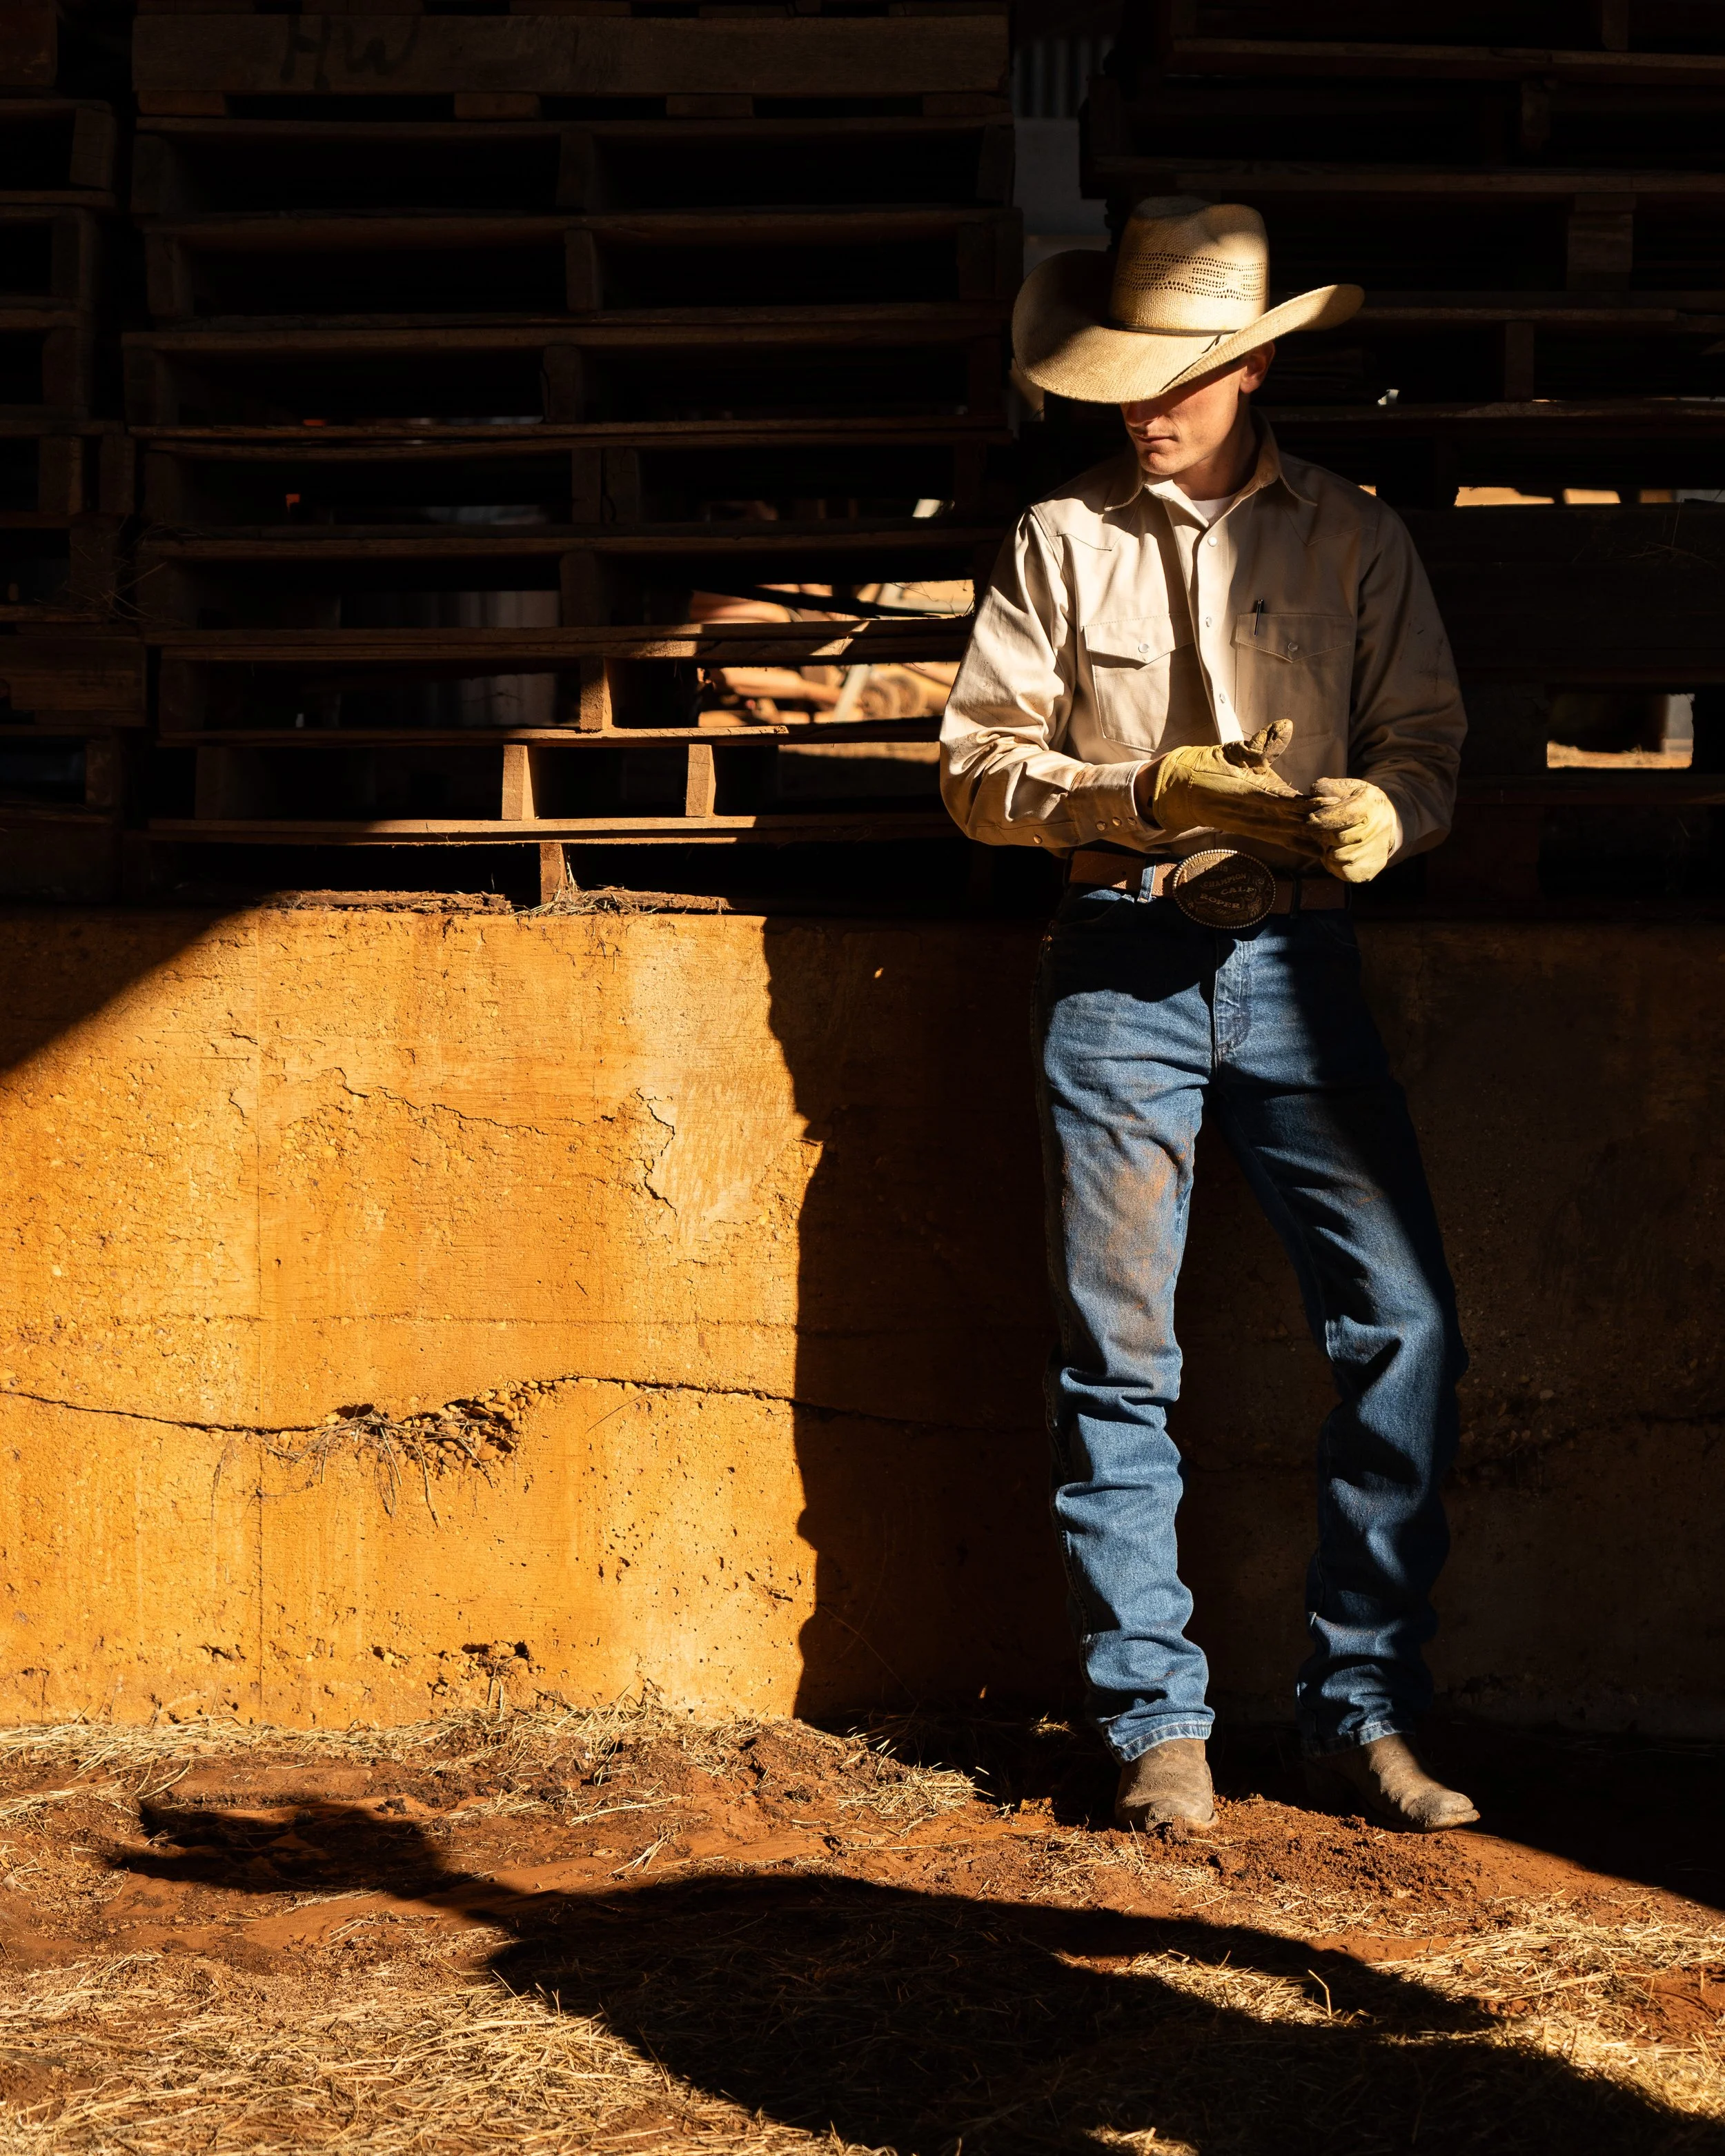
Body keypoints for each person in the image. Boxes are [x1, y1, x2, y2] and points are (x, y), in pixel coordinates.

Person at [940, 198, 1477, 1834]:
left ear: (1250, 368)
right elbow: (971, 770)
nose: (1141, 404)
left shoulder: (1354, 538)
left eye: (1175, 375)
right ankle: (1151, 1724)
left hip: (1300, 970)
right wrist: (1125, 790)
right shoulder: (1056, 540)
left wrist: (1390, 815)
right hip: (1119, 957)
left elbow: (1424, 744)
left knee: (1404, 1329)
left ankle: (1357, 1705)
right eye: (1123, 376)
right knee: (1118, 1359)